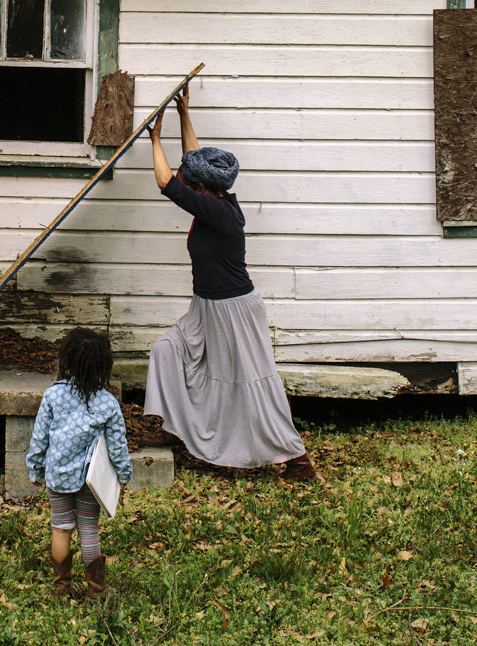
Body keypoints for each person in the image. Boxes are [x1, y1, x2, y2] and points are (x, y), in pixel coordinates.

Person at [144, 83, 317, 480]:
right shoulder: (217, 198)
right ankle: (176, 427)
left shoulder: (217, 211)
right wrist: (184, 113)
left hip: (234, 309)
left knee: (255, 383)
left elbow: (166, 182)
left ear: (202, 189)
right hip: (205, 307)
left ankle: (297, 459)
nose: (188, 181)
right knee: (167, 350)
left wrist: (154, 139)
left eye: (193, 181)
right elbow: (195, 161)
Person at [26, 327, 133, 598]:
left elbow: (40, 436)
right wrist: (123, 475)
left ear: (68, 361)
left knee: (61, 528)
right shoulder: (108, 403)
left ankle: (61, 588)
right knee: (88, 530)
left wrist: (35, 466)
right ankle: (96, 591)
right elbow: (119, 446)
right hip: (90, 481)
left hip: (59, 477)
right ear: (102, 366)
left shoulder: (53, 395)